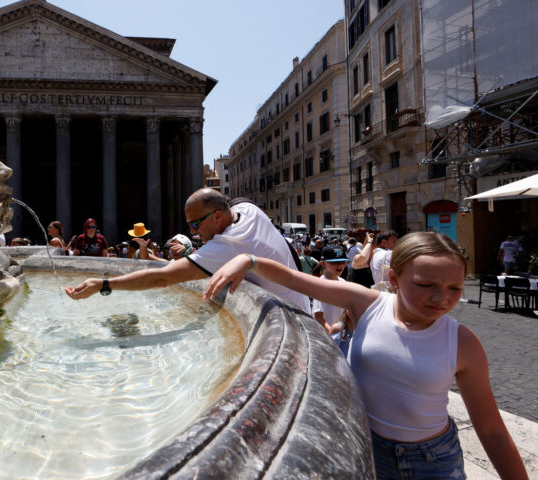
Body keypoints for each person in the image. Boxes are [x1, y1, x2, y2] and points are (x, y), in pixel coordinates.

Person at [203, 232, 528, 480]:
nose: (441, 298)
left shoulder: (463, 342)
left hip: (434, 461)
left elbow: (491, 430)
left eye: (455, 289)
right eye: (425, 284)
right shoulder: (367, 303)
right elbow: (293, 279)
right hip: (365, 446)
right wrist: (248, 259)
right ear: (394, 279)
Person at [65, 189, 310, 314]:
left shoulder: (225, 246)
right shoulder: (249, 210)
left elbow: (163, 276)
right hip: (300, 302)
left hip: (292, 315)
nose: (193, 231)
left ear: (217, 216)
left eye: (195, 224)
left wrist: (104, 284)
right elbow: (235, 202)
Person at [312, 245, 350, 335]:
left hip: (341, 334)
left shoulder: (343, 282)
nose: (340, 265)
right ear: (323, 263)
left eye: (343, 262)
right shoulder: (321, 284)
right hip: (328, 336)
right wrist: (332, 334)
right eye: (334, 262)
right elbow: (318, 317)